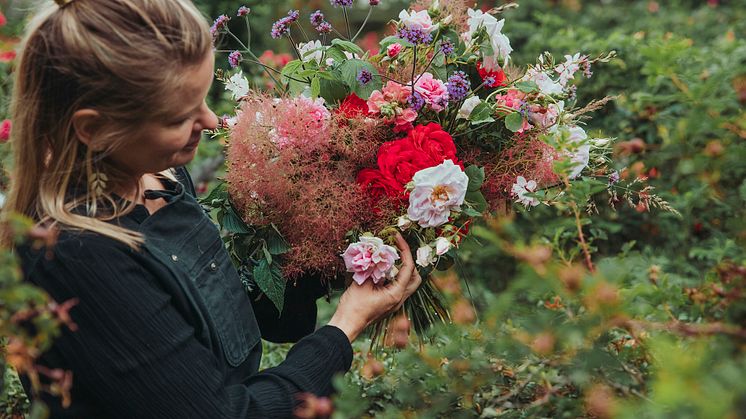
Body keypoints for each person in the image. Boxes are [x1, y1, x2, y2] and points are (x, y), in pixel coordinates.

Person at [1, 0, 422, 417]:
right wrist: (345, 327)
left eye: (203, 99)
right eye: (180, 117)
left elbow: (222, 310)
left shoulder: (154, 175)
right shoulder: (77, 256)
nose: (211, 121)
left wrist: (338, 244)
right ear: (94, 129)